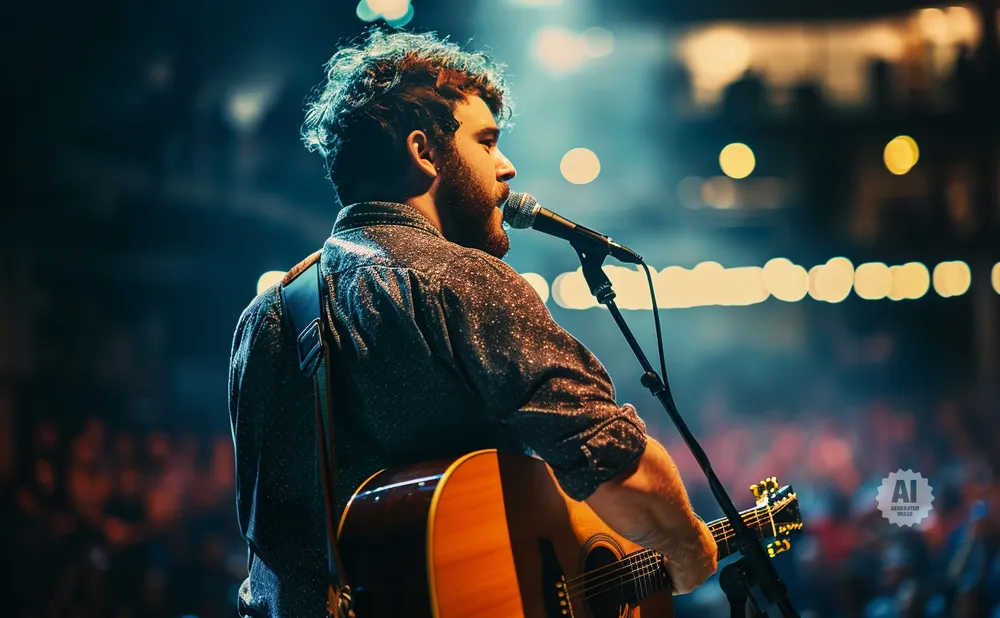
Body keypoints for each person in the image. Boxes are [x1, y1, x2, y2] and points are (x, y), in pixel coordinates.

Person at [228, 27, 717, 617]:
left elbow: (266, 538)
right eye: (486, 142)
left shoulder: (265, 318)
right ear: (424, 151)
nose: (507, 168)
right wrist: (688, 547)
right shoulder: (461, 280)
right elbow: (617, 467)